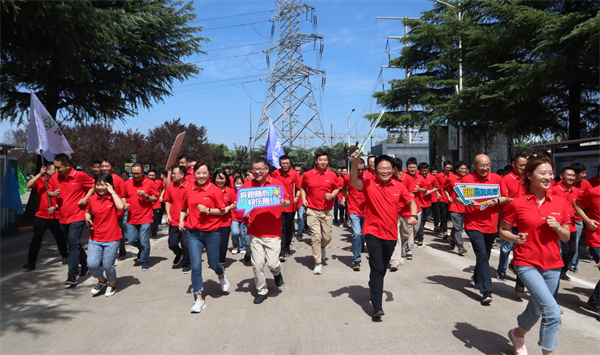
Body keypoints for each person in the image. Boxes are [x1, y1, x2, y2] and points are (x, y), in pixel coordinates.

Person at [499, 156, 570, 355]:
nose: (548, 177)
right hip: (526, 262)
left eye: (550, 173)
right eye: (542, 173)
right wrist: (516, 238)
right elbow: (503, 231)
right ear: (529, 175)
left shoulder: (560, 203)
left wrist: (557, 226)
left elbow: (565, 237)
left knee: (537, 308)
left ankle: (517, 334)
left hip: (553, 264)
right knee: (553, 313)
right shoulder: (516, 204)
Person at [349, 152, 417, 320]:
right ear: (375, 170)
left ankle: (374, 285)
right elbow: (352, 182)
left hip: (391, 234)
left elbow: (412, 202)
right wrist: (355, 163)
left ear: (393, 170)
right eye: (381, 168)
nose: (385, 171)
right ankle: (377, 307)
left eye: (387, 168)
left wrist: (413, 216)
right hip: (372, 232)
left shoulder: (399, 186)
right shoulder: (369, 183)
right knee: (377, 267)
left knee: (382, 267)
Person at [179, 160, 229, 313]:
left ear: (209, 174)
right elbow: (183, 208)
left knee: (213, 263)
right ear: (193, 173)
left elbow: (222, 211)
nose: (201, 176)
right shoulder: (188, 189)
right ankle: (199, 298)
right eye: (198, 173)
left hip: (212, 233)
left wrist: (208, 210)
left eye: (204, 173)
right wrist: (181, 220)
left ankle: (221, 274)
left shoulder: (215, 190)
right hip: (193, 233)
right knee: (195, 266)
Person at [460, 154, 509, 304]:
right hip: (473, 224)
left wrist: (496, 201)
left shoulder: (496, 179)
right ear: (474, 166)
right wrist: (467, 203)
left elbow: (506, 197)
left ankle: (476, 277)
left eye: (487, 165)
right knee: (481, 255)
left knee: (485, 256)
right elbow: (457, 197)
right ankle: (486, 291)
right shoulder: (466, 180)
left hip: (491, 224)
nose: (485, 168)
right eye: (482, 165)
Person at [242, 157, 290, 304]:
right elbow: (241, 209)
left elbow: (287, 202)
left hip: (273, 232)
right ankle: (262, 290)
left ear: (266, 169)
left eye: (260, 169)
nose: (257, 172)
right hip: (255, 232)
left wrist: (284, 202)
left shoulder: (276, 185)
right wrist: (245, 213)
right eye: (254, 169)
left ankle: (277, 273)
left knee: (273, 263)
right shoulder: (246, 187)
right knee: (256, 264)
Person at [48, 153, 95, 285]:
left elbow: (93, 186)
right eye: (55, 167)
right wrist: (53, 193)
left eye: (58, 167)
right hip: (63, 217)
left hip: (78, 216)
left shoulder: (80, 175)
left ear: (67, 165)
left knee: (72, 243)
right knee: (73, 243)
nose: (56, 170)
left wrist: (85, 198)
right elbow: (49, 191)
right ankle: (85, 265)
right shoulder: (55, 177)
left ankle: (72, 275)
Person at [23, 162, 69, 271]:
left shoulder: (60, 181)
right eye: (53, 169)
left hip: (56, 215)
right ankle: (31, 262)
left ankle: (65, 256)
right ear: (47, 171)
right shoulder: (40, 180)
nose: (56, 171)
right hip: (41, 215)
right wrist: (39, 174)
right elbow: (28, 185)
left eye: (57, 169)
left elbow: (65, 198)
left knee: (60, 238)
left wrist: (56, 207)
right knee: (36, 239)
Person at [85, 173, 125, 297]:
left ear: (109, 185)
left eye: (103, 185)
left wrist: (112, 192)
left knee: (108, 265)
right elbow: (88, 211)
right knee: (91, 264)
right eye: (98, 185)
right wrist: (88, 219)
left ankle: (111, 284)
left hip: (112, 238)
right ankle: (102, 281)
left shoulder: (113, 198)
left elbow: (121, 206)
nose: (100, 187)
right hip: (95, 237)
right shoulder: (92, 199)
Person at [301, 151, 340, 275]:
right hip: (312, 209)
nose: (323, 162)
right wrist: (303, 199)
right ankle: (318, 263)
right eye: (320, 160)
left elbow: (337, 188)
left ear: (327, 161)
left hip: (327, 210)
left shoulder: (332, 175)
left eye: (325, 160)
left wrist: (332, 195)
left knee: (327, 237)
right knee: (315, 236)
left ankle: (323, 247)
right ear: (316, 161)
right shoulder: (307, 175)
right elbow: (302, 187)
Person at [122, 163, 158, 271]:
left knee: (144, 240)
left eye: (138, 173)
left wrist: (146, 196)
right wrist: (124, 204)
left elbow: (155, 199)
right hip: (131, 217)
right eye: (133, 174)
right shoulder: (127, 183)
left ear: (143, 173)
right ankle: (142, 249)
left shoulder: (150, 183)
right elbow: (123, 196)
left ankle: (144, 260)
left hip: (146, 217)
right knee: (132, 240)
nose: (136, 176)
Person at [497, 154, 527, 281]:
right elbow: (501, 198)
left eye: (525, 165)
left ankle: (514, 265)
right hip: (508, 220)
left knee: (523, 246)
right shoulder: (505, 180)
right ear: (513, 165)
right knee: (506, 248)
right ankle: (501, 270)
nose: (523, 168)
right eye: (521, 165)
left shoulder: (528, 179)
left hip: (524, 220)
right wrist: (514, 201)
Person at [573, 184, 600, 314]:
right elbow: (576, 204)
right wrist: (588, 221)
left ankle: (594, 302)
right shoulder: (593, 192)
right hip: (597, 240)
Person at [549, 167, 579, 281]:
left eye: (573, 175)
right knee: (564, 250)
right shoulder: (555, 189)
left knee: (572, 251)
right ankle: (558, 270)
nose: (571, 178)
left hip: (572, 224)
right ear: (561, 177)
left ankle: (563, 271)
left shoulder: (575, 190)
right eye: (569, 175)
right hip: (559, 225)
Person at [389, 157, 419, 268]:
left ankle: (400, 254)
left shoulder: (408, 179)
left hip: (406, 213)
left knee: (405, 236)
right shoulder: (389, 179)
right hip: (394, 212)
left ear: (395, 169)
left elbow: (412, 196)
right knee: (395, 236)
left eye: (390, 168)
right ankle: (394, 261)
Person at [272, 155, 301, 261]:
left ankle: (287, 245)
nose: (285, 165)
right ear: (279, 164)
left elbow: (298, 188)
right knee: (282, 228)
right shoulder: (275, 173)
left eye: (287, 163)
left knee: (288, 228)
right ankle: (282, 251)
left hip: (290, 206)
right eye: (283, 163)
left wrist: (296, 197)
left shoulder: (295, 174)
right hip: (278, 206)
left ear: (290, 164)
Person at [164, 165, 191, 273]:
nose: (173, 175)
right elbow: (167, 201)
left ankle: (186, 263)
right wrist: (168, 214)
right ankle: (179, 253)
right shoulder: (170, 187)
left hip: (187, 221)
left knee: (185, 243)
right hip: (174, 220)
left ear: (182, 175)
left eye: (175, 173)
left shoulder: (190, 186)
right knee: (172, 244)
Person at [100, 158, 127, 260]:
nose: (104, 168)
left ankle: (122, 250)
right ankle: (104, 254)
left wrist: (124, 204)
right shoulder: (99, 179)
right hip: (103, 211)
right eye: (102, 166)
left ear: (112, 167)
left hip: (116, 211)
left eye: (107, 166)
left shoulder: (118, 180)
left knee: (119, 232)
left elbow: (124, 194)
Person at [343, 158, 366, 270]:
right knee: (356, 233)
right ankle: (357, 259)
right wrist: (343, 198)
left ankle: (360, 247)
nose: (360, 172)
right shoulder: (348, 178)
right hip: (353, 210)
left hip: (366, 211)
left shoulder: (370, 178)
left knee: (363, 234)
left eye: (362, 169)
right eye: (358, 169)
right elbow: (344, 188)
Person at [569, 162, 592, 272]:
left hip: (577, 220)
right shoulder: (566, 183)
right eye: (582, 173)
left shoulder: (586, 184)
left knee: (575, 243)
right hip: (564, 220)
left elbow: (593, 199)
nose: (584, 175)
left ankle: (573, 263)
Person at [212, 169, 237, 264]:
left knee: (222, 243)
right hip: (212, 222)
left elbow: (235, 205)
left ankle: (221, 261)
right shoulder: (210, 190)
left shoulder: (230, 192)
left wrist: (230, 207)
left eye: (222, 178)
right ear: (214, 179)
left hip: (225, 223)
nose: (220, 180)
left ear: (226, 179)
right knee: (213, 243)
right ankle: (214, 259)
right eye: (218, 178)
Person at [445, 161, 469, 256]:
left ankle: (451, 237)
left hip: (465, 207)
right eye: (461, 169)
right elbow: (445, 188)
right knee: (459, 227)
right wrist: (448, 197)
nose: (463, 170)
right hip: (454, 206)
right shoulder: (451, 178)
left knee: (457, 226)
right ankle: (460, 246)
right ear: (457, 170)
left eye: (465, 168)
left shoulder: (468, 179)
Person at [415, 162, 439, 245]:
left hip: (428, 202)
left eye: (425, 170)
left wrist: (430, 191)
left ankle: (417, 233)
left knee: (424, 220)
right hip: (418, 202)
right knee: (420, 221)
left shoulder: (432, 178)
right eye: (422, 170)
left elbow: (437, 187)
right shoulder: (416, 177)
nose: (424, 172)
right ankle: (420, 237)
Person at [404, 157, 426, 246]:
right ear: (407, 167)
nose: (412, 169)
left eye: (414, 167)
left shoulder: (420, 177)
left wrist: (419, 189)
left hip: (417, 207)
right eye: (410, 167)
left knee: (415, 229)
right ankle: (408, 249)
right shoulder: (403, 176)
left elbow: (425, 190)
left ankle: (410, 242)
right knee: (407, 229)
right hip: (405, 209)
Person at [231, 175, 249, 260]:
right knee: (234, 232)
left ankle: (242, 247)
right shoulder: (232, 193)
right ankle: (235, 246)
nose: (238, 185)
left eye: (240, 183)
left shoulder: (245, 193)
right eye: (236, 183)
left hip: (243, 217)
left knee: (243, 234)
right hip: (234, 217)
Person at [436, 161, 453, 238]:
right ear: (444, 167)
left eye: (450, 167)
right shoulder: (439, 176)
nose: (448, 169)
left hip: (451, 199)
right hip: (442, 198)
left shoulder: (453, 176)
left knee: (448, 216)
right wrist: (437, 193)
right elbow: (435, 185)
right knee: (444, 215)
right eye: (447, 167)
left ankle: (441, 226)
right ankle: (445, 231)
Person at [148, 169, 164, 240]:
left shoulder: (159, 182)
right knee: (148, 221)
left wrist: (161, 196)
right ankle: (148, 234)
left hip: (156, 205)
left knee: (155, 220)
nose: (151, 177)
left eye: (153, 175)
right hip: (147, 205)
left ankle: (154, 235)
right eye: (150, 175)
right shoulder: (145, 182)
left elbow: (164, 188)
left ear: (155, 175)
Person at [294, 164, 305, 241]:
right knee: (290, 219)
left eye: (299, 170)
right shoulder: (291, 176)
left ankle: (300, 233)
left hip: (301, 201)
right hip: (292, 201)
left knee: (301, 217)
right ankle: (291, 233)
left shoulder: (304, 178)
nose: (297, 172)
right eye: (296, 170)